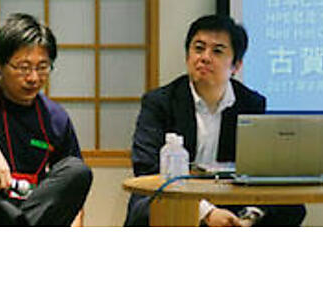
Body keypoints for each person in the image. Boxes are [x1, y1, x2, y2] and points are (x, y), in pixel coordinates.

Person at [125, 14, 306, 226]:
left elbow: (259, 171)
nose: (205, 57)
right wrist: (207, 212)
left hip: (229, 199)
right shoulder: (160, 102)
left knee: (292, 207)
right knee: (148, 206)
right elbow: (147, 168)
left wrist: (248, 217)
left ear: (236, 66)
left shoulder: (250, 103)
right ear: (187, 56)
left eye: (217, 51)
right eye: (198, 48)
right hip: (174, 196)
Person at [0, 13, 92, 226]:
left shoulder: (55, 117)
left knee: (78, 170)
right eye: (23, 67)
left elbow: (71, 189)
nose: (33, 78)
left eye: (42, 67)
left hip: (30, 209)